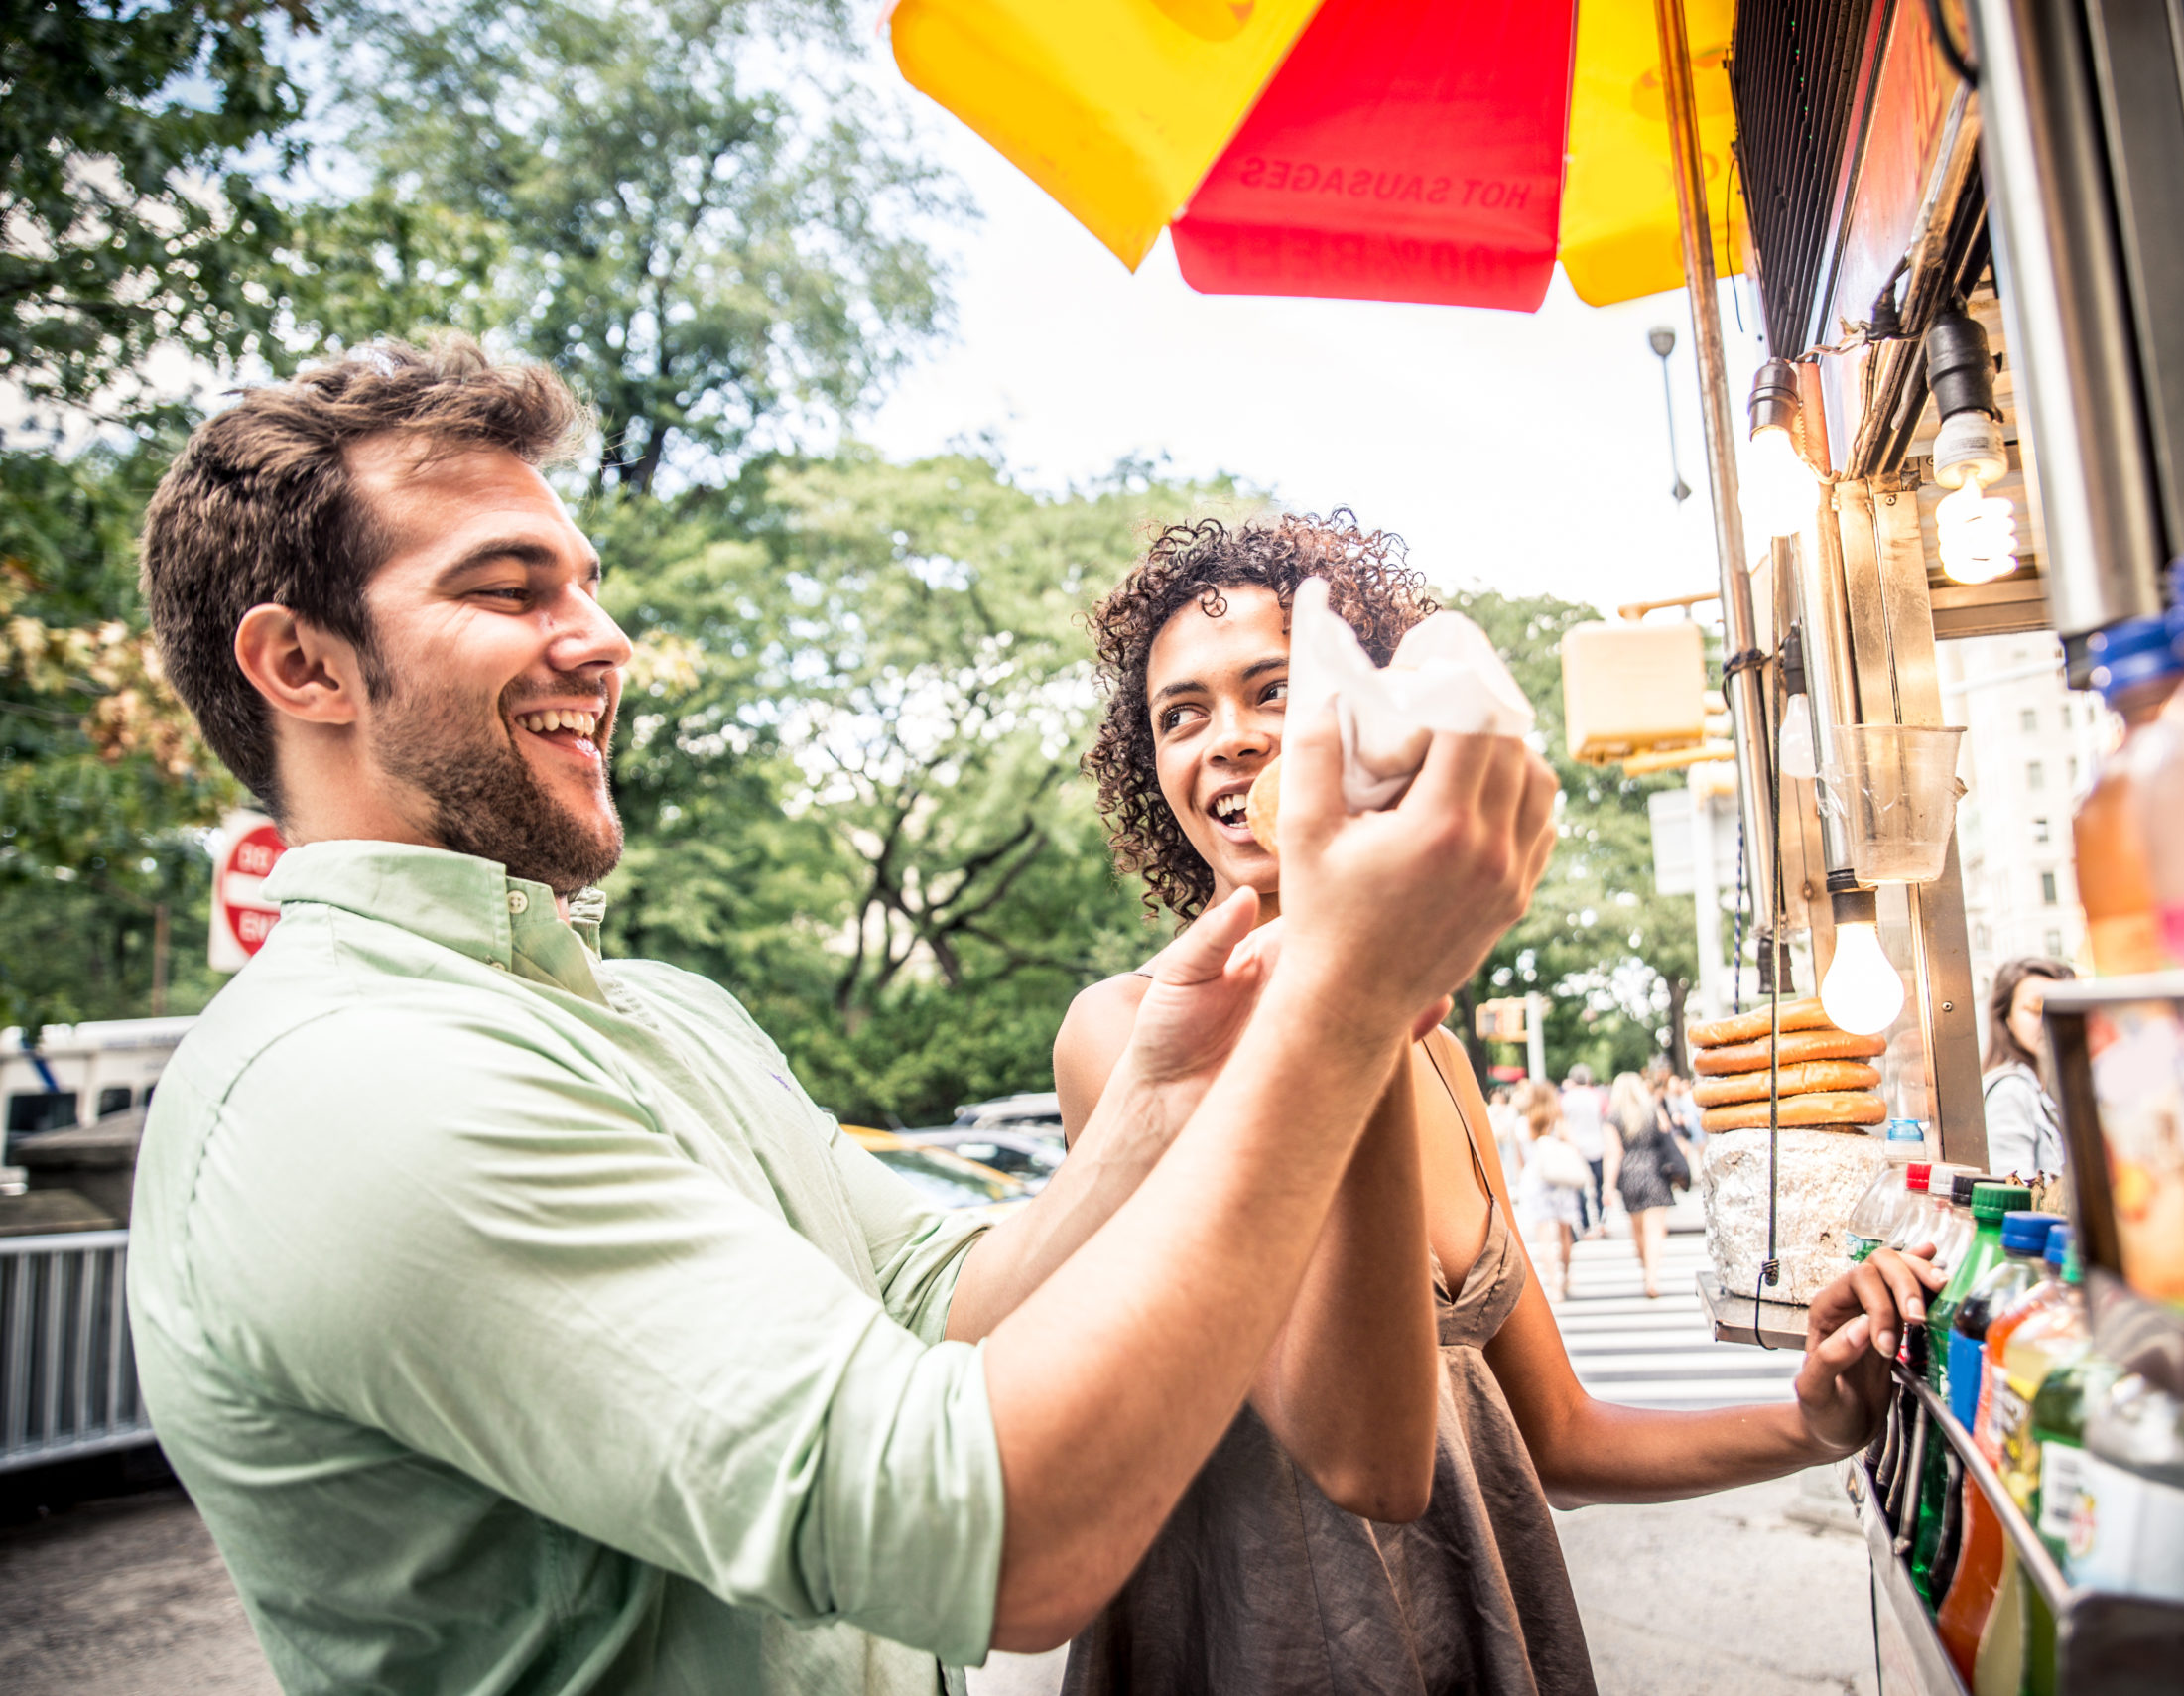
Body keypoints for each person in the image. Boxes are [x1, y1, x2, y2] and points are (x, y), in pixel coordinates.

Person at [120, 338, 1558, 1696]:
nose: (603, 639)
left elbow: (938, 1306)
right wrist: (1345, 996)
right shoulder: (351, 1086)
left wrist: (1163, 1101)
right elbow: (994, 1534)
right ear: (301, 667)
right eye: (513, 591)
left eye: (589, 585)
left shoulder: (661, 1013)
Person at [1053, 513, 1946, 1695]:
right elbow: (1360, 1461)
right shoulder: (1128, 1038)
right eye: (1182, 713)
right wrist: (1352, 969)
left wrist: (1813, 1422)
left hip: (1479, 1629)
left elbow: (1553, 1440)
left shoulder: (1439, 1060)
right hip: (1254, 1649)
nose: (1229, 740)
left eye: (1275, 688)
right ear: (1148, 767)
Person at [1983, 956, 2079, 1180]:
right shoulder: (2011, 1091)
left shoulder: (2051, 1089)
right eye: (2035, 1009)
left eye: (2060, 1008)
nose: (2048, 1020)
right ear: (2007, 1018)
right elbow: (2013, 1193)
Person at [1601, 1071, 1686, 1300]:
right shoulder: (1653, 1112)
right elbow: (1669, 1138)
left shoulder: (1612, 1118)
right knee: (1655, 1230)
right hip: (1655, 1172)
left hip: (1629, 1176)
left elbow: (1613, 1153)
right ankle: (1652, 1277)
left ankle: (1645, 1269)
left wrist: (1607, 1186)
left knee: (1637, 1230)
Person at [1511, 1078, 1587, 1299]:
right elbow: (1575, 1148)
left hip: (1534, 1182)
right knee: (1564, 1232)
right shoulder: (1557, 1122)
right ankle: (1565, 1275)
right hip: (1559, 1181)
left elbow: (1519, 1161)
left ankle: (1554, 1285)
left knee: (1544, 1236)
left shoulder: (1522, 1125)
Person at [1558, 1062, 1609, 1233]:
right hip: (1597, 1144)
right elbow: (1606, 1120)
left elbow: (1561, 1123)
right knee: (1599, 1183)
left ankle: (1585, 1222)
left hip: (1575, 1147)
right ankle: (1601, 1219)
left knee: (1579, 1187)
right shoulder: (1598, 1096)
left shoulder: (1565, 1099)